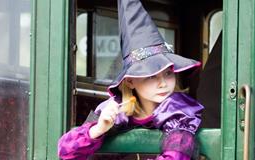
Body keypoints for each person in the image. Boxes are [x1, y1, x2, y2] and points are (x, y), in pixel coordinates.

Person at [58, 0, 204, 159]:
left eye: (168, 73)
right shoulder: (115, 110)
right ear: (130, 81)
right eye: (151, 76)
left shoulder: (179, 113)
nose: (163, 83)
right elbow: (65, 151)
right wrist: (98, 129)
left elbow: (176, 156)